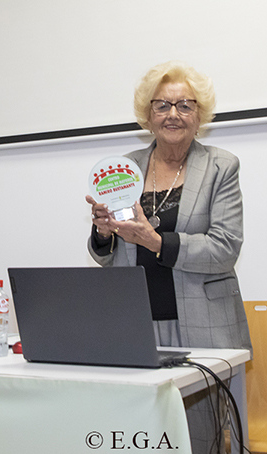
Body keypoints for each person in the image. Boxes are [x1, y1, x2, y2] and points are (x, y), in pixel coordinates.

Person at [86, 61, 251, 453]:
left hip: (202, 327)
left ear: (199, 115)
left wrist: (156, 241)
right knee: (139, 435)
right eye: (162, 105)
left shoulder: (221, 166)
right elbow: (109, 255)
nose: (173, 114)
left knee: (199, 438)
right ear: (148, 115)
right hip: (137, 324)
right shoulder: (124, 168)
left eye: (185, 105)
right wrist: (103, 233)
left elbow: (225, 248)